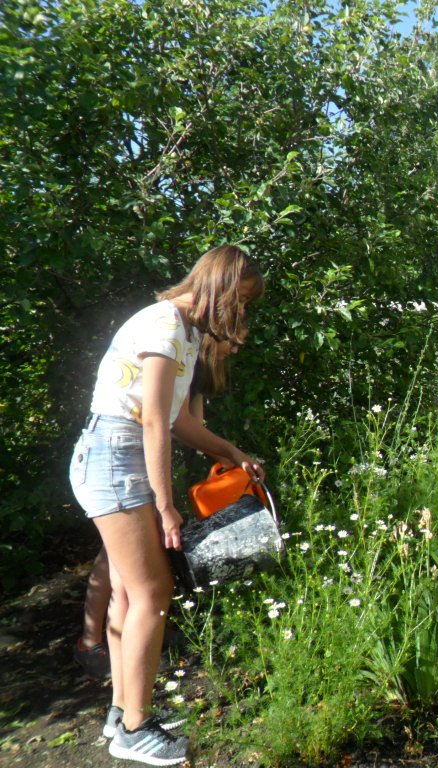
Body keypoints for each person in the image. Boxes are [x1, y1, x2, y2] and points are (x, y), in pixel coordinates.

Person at [69, 245, 264, 766]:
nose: (239, 316)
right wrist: (167, 505)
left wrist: (235, 456)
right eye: (239, 302)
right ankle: (135, 728)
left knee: (134, 593)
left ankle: (122, 714)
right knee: (153, 591)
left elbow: (180, 422)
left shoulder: (182, 330)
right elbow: (153, 420)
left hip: (118, 456)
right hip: (115, 457)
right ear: (219, 290)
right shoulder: (163, 324)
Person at [73, 333, 247, 680]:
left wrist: (232, 458)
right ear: (212, 338)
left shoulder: (196, 376)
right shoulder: (175, 353)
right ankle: (90, 644)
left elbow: (190, 429)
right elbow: (169, 426)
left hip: (146, 463)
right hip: (123, 461)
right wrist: (231, 455)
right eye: (231, 340)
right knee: (116, 560)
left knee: (129, 572)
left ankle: (128, 656)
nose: (235, 348)